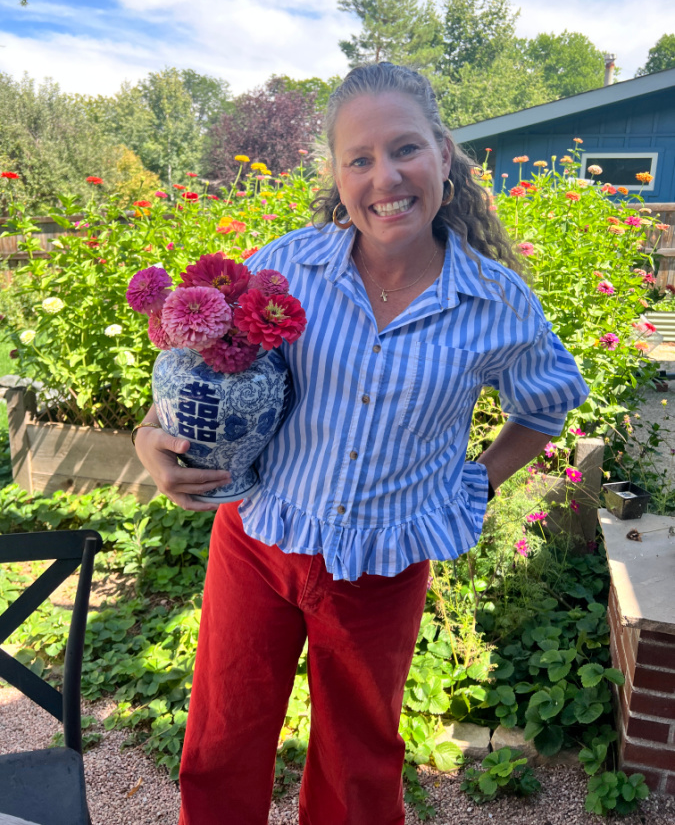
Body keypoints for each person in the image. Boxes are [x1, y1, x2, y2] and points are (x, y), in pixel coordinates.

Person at [133, 62, 589, 825]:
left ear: (444, 154)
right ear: (337, 173)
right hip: (258, 540)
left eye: (405, 149)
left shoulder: (497, 302)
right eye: (360, 159)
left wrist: (476, 481)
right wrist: (151, 435)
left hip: (381, 567)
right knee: (221, 741)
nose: (387, 177)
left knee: (359, 765)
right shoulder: (284, 267)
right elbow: (197, 364)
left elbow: (545, 407)